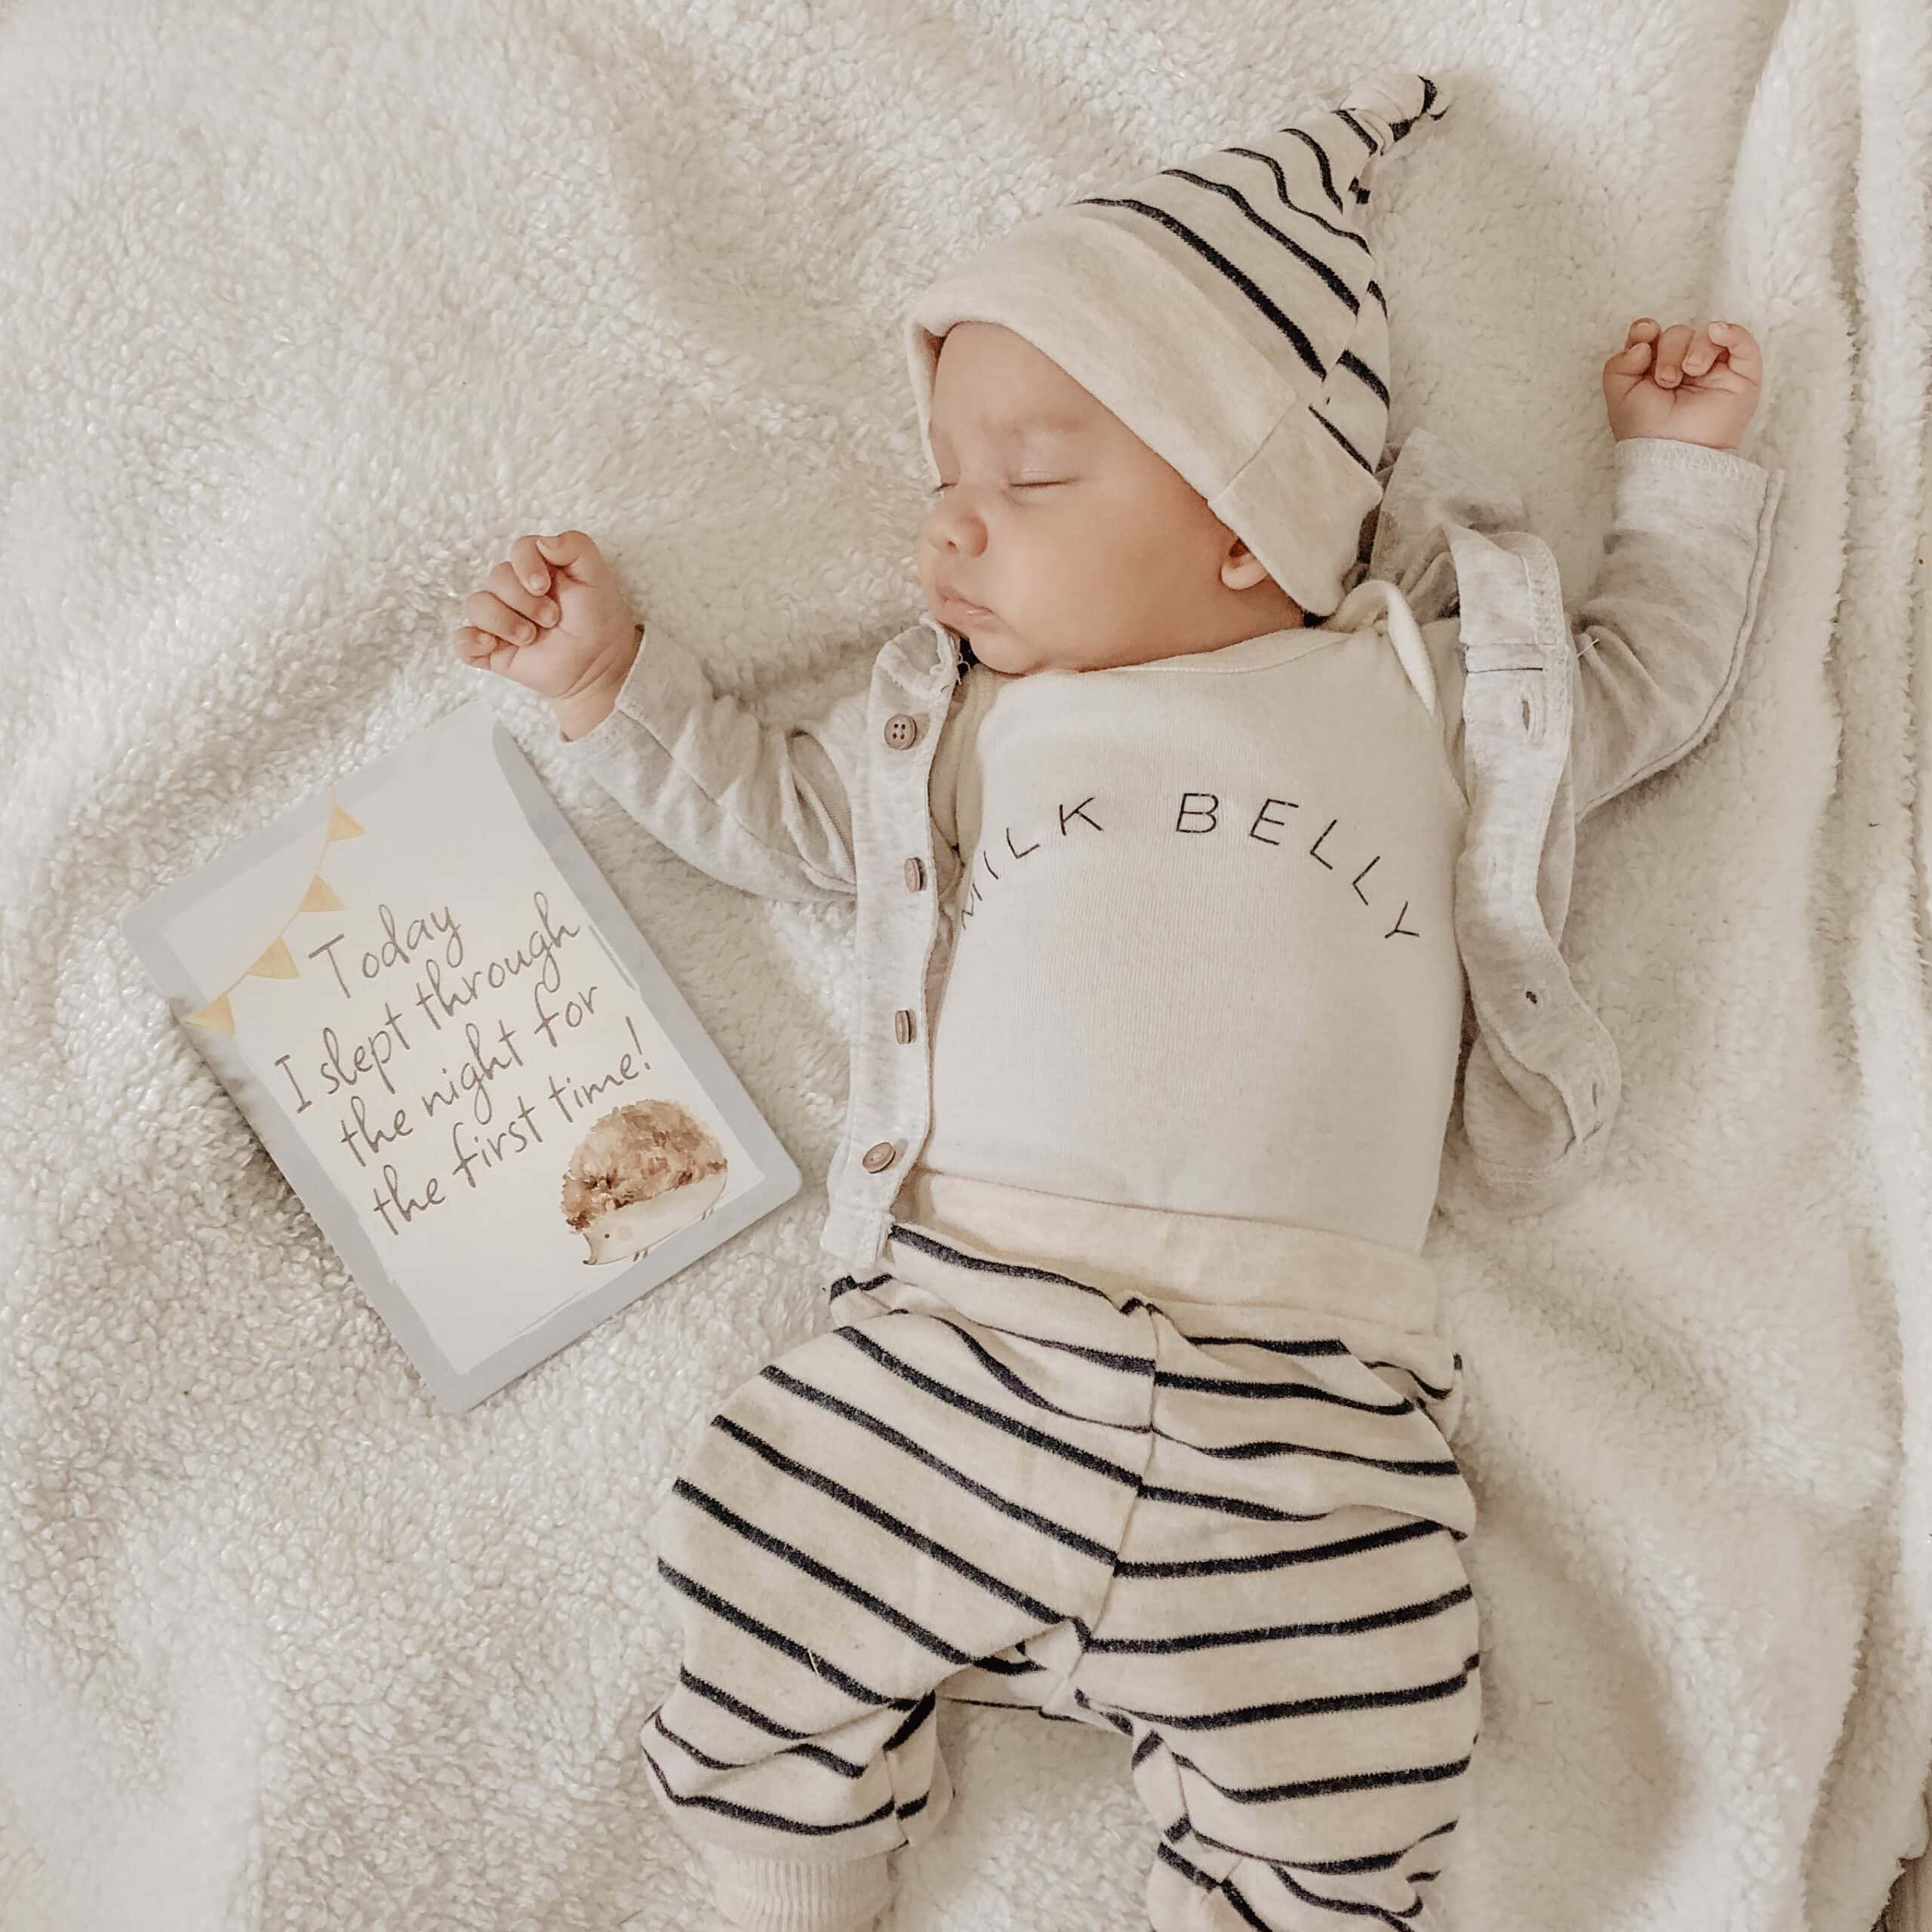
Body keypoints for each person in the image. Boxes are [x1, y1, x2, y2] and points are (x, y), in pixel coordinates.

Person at [453, 68, 1777, 1932]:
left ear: (1252, 515)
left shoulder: (1424, 690)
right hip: (964, 1327)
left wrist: (1683, 472)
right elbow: (778, 816)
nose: (949, 532)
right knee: (765, 1532)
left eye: (1030, 475)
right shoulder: (966, 722)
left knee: (1373, 1707)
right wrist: (611, 681)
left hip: (1309, 1398)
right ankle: (784, 1874)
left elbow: (1640, 681)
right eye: (943, 482)